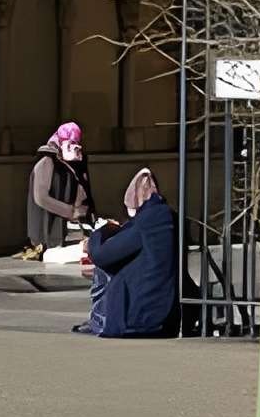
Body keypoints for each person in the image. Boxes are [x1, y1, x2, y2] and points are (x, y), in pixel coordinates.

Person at [81, 167, 179, 339]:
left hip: (136, 321)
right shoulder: (167, 218)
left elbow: (101, 255)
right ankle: (98, 320)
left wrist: (102, 232)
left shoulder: (147, 220)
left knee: (102, 269)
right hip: (163, 317)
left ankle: (98, 320)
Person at [22, 120, 94, 262]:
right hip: (52, 233)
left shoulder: (75, 164)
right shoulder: (46, 163)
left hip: (73, 228)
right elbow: (41, 197)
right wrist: (70, 211)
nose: (74, 148)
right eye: (70, 144)